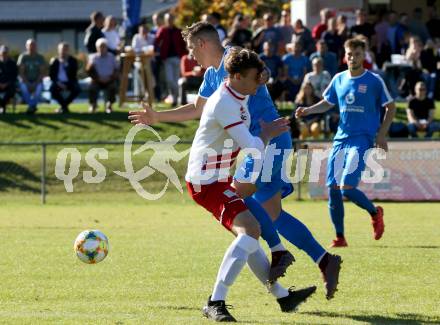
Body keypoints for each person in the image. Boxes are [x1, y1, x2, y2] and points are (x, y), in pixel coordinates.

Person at [129, 22, 342, 300]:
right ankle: (324, 260)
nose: (191, 55)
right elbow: (197, 108)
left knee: (238, 199)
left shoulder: (234, 57)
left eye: (192, 48)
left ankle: (275, 255)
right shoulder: (211, 76)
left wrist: (262, 73)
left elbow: (260, 69)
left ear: (204, 44)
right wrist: (158, 117)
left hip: (266, 142)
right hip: (261, 144)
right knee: (273, 214)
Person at [185, 47, 316, 322]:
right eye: (256, 76)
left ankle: (283, 297)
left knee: (250, 235)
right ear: (237, 76)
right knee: (249, 231)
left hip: (218, 177)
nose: (261, 81)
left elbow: (250, 145)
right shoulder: (225, 103)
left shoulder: (240, 94)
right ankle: (215, 301)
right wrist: (266, 135)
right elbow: (252, 146)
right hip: (205, 181)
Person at [296, 38, 396, 247]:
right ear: (345, 56)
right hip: (340, 139)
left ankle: (375, 212)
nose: (353, 57)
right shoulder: (339, 79)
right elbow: (328, 103)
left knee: (347, 188)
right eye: (349, 54)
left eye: (357, 54)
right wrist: (307, 110)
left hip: (362, 138)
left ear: (364, 55)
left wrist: (381, 134)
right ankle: (340, 237)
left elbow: (391, 106)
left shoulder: (374, 81)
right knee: (332, 188)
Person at [154, 13, 187, 106]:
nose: (169, 21)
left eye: (171, 19)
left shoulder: (178, 31)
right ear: (165, 20)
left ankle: (175, 99)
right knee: (169, 80)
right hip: (167, 58)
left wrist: (183, 55)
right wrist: (157, 53)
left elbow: (183, 44)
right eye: (168, 19)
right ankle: (173, 96)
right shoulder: (163, 30)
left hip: (177, 58)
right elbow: (156, 41)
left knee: (176, 79)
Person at [86, 38, 119, 113]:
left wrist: (111, 78)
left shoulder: (112, 57)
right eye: (100, 47)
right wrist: (97, 78)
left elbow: (116, 69)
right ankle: (93, 105)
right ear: (97, 48)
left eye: (104, 46)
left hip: (109, 79)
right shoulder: (93, 57)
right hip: (97, 80)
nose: (102, 48)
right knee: (92, 87)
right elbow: (88, 71)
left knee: (113, 86)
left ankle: (109, 106)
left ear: (106, 47)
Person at [49, 42, 80, 113]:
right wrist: (58, 83)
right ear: (58, 50)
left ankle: (63, 106)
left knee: (77, 89)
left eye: (66, 49)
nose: (64, 51)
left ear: (68, 50)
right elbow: (51, 75)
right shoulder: (54, 61)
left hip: (70, 82)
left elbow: (74, 74)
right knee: (52, 89)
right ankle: (65, 107)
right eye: (62, 49)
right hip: (58, 82)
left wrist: (66, 65)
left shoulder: (73, 61)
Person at [17, 39, 46, 114]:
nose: (32, 47)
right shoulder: (23, 57)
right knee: (23, 87)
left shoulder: (40, 57)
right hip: (25, 81)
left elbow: (42, 72)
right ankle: (32, 106)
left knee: (39, 88)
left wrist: (36, 83)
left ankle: (31, 107)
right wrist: (27, 83)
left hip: (37, 81)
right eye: (30, 45)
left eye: (33, 45)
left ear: (36, 47)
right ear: (26, 46)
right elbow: (21, 72)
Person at [0, 45, 18, 114]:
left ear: (8, 53)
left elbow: (14, 76)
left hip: (9, 85)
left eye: (5, 53)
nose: (4, 54)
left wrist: (6, 84)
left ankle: (2, 106)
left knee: (11, 90)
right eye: (3, 53)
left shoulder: (12, 63)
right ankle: (2, 106)